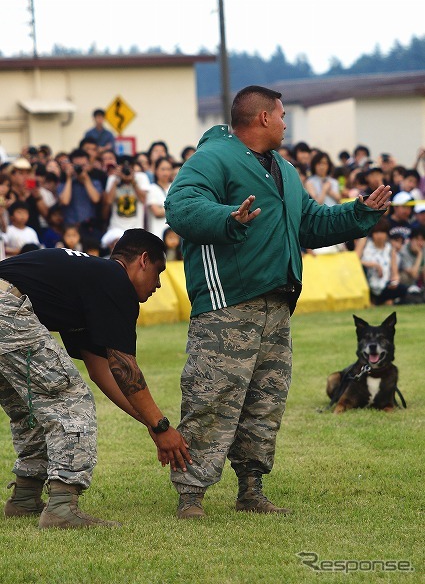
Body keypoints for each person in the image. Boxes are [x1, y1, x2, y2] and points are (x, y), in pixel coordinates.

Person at [164, 85, 391, 519]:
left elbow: (310, 223)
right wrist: (226, 219)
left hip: (277, 305)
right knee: (211, 398)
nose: (287, 123)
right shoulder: (213, 158)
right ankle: (190, 495)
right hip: (227, 304)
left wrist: (360, 212)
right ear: (264, 118)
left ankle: (251, 489)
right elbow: (180, 206)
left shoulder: (284, 170)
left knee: (265, 402)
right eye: (283, 115)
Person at [0, 229, 191, 529]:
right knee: (70, 399)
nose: (158, 284)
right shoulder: (115, 280)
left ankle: (25, 497)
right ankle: (62, 507)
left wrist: (150, 423)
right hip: (6, 307)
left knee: (33, 405)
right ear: (142, 260)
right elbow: (125, 368)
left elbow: (100, 369)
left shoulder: (90, 278)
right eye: (158, 272)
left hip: (6, 304)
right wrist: (160, 425)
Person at [146, 157, 172, 238]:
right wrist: (177, 208)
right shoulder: (152, 188)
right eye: (163, 169)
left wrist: (164, 209)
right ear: (156, 170)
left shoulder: (174, 187)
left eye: (168, 169)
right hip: (157, 234)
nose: (166, 172)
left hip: (174, 236)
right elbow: (157, 212)